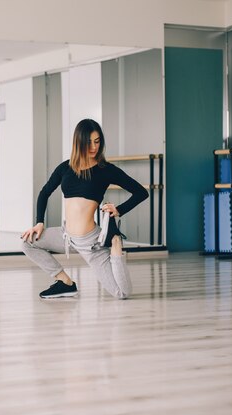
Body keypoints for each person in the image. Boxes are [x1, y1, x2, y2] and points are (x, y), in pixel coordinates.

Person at [21, 119, 148, 299]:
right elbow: (44, 192)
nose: (93, 147)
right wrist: (39, 222)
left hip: (91, 243)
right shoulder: (65, 168)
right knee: (27, 242)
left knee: (122, 293)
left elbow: (141, 192)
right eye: (88, 142)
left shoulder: (106, 170)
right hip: (66, 237)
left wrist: (119, 209)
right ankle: (65, 282)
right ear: (78, 142)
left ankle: (116, 247)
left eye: (97, 141)